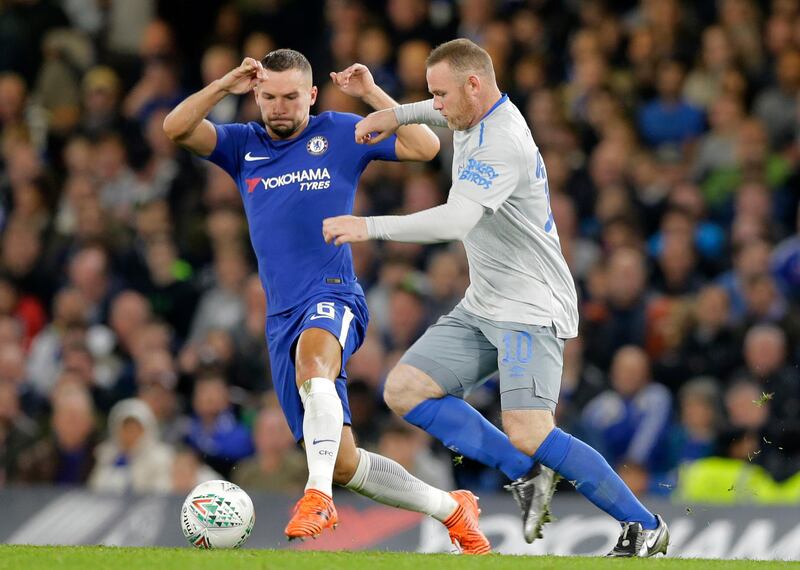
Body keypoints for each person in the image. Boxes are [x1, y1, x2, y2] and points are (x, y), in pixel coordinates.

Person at [323, 38, 669, 557]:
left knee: (530, 429)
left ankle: (645, 525)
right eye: (431, 95)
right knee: (406, 389)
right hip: (485, 303)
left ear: (474, 86)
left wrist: (367, 225)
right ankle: (525, 472)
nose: (434, 106)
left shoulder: (501, 141)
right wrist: (381, 101)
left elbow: (455, 220)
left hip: (530, 307)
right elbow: (434, 110)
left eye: (441, 94)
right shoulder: (471, 112)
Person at [163, 49, 490, 553]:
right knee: (344, 462)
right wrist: (220, 86)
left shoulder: (338, 131)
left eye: (291, 96)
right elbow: (176, 128)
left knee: (312, 361)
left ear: (311, 96)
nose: (279, 107)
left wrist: (372, 95)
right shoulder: (241, 144)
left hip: (333, 294)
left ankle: (316, 496)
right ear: (255, 95)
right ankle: (452, 508)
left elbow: (424, 146)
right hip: (280, 316)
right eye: (268, 96)